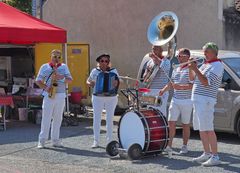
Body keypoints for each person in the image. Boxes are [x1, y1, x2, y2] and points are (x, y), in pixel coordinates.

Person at [189, 42, 224, 166]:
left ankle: (215, 156)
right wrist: (190, 68)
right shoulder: (205, 64)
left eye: (207, 52)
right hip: (198, 100)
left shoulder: (217, 65)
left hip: (206, 100)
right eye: (204, 52)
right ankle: (207, 153)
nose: (204, 54)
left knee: (208, 129)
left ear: (214, 53)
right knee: (202, 129)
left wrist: (195, 68)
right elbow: (192, 79)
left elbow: (205, 82)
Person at [35, 49, 73, 148]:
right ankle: (42, 140)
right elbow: (38, 81)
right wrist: (46, 88)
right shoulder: (45, 67)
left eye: (59, 57)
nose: (56, 59)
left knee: (58, 118)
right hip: (49, 95)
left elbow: (70, 80)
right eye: (55, 56)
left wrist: (62, 77)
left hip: (60, 95)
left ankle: (55, 140)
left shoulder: (64, 67)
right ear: (51, 56)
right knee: (46, 118)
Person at [160, 48, 194, 154]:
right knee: (171, 123)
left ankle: (184, 146)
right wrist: (163, 90)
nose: (178, 58)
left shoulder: (191, 68)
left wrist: (180, 87)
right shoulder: (176, 68)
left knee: (185, 125)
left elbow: (192, 85)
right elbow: (172, 83)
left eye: (180, 56)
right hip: (175, 100)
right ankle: (169, 146)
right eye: (178, 56)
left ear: (187, 56)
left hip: (187, 101)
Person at [87, 53, 119, 148]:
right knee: (96, 119)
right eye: (102, 61)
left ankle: (109, 140)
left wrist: (116, 82)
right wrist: (90, 83)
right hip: (97, 97)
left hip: (111, 97)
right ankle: (96, 141)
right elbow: (88, 81)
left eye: (106, 61)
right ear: (99, 62)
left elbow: (119, 81)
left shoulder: (113, 71)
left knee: (109, 119)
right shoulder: (95, 71)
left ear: (109, 62)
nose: (104, 63)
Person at [141, 45, 171, 117]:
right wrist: (147, 73)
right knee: (150, 113)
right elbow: (144, 76)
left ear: (161, 50)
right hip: (150, 91)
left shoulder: (166, 61)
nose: (153, 51)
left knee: (160, 113)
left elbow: (162, 66)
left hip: (161, 91)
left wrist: (154, 57)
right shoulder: (150, 62)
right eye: (153, 49)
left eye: (156, 49)